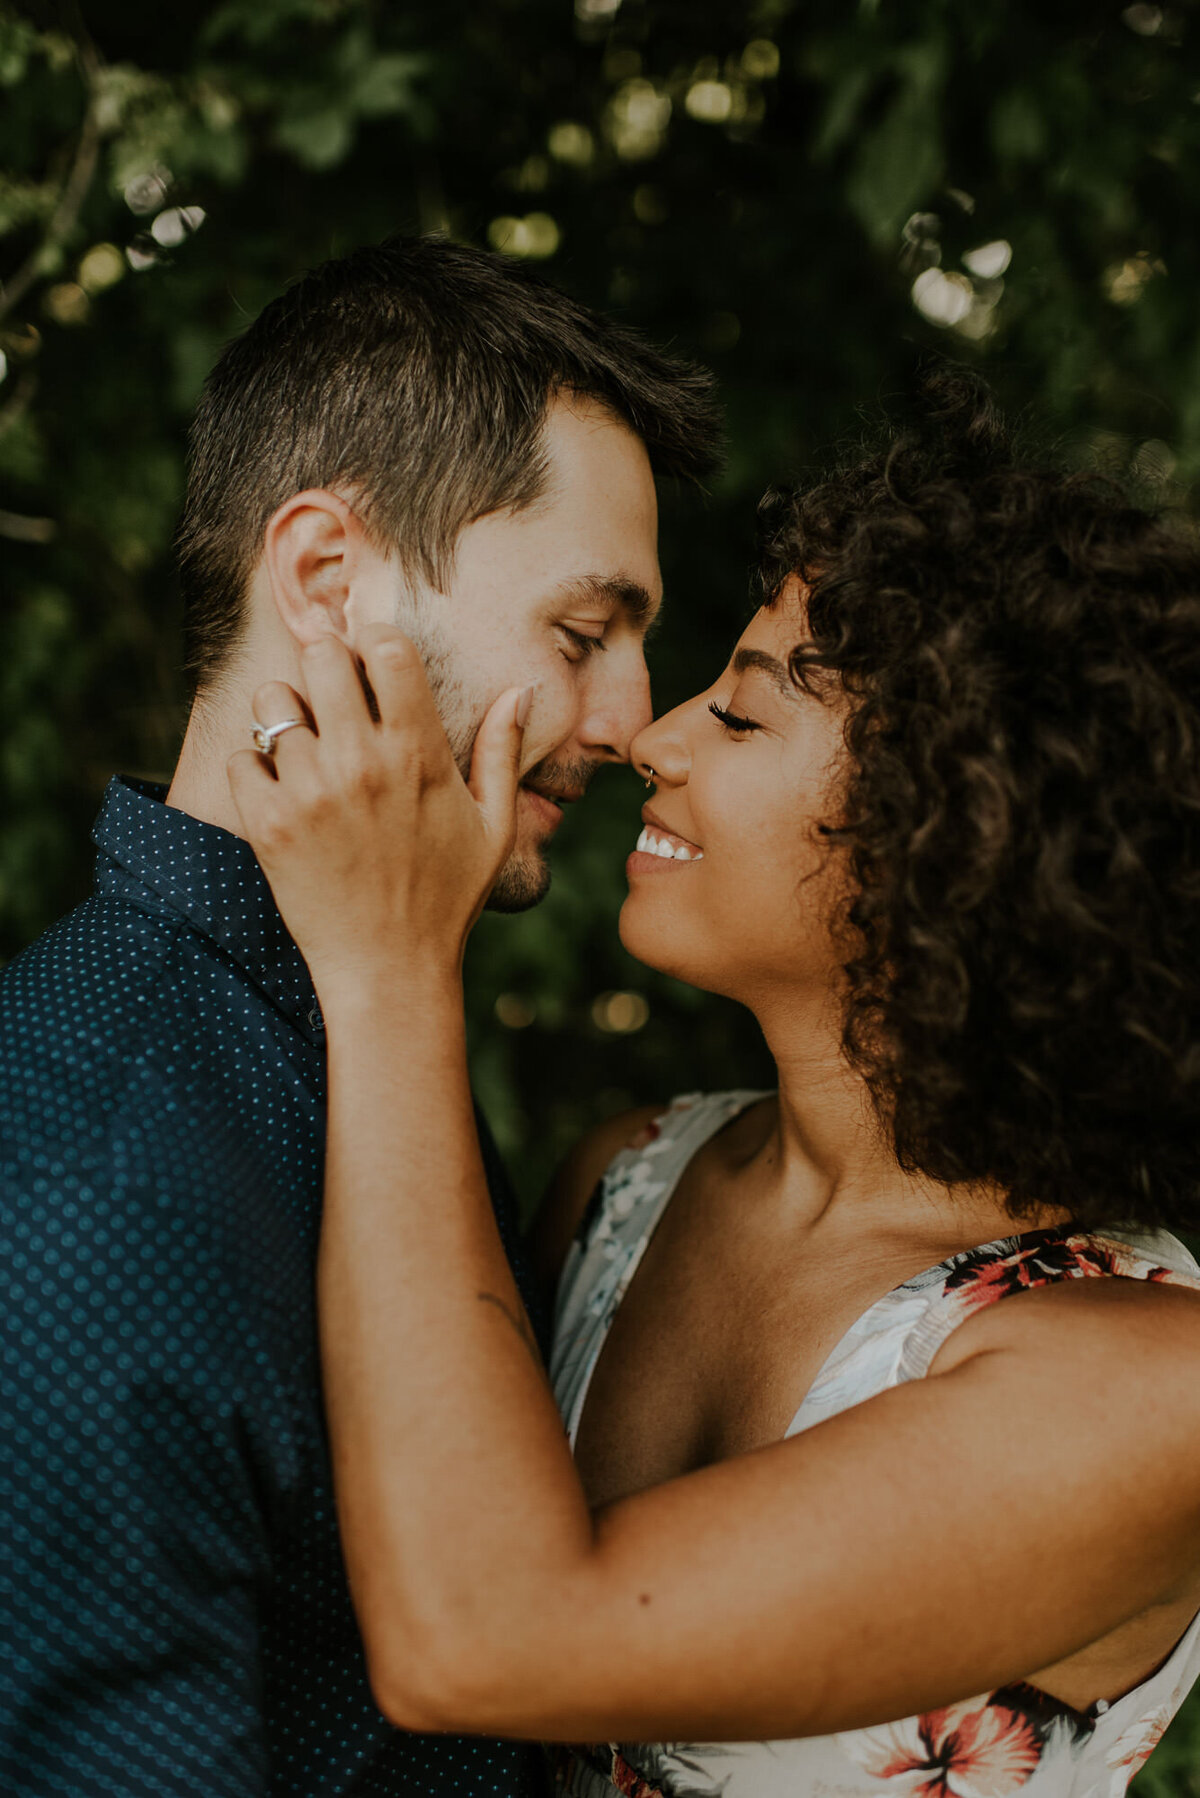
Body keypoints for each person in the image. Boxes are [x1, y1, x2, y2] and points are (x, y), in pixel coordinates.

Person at [232, 368, 1200, 1798]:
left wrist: (388, 967)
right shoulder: (628, 1173)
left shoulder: (1144, 1384)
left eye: (741, 719)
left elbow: (484, 1640)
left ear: (956, 836)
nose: (651, 738)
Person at [0, 235, 718, 1796]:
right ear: (329, 577)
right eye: (584, 634)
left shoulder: (347, 1008)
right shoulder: (94, 1184)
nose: (629, 719)